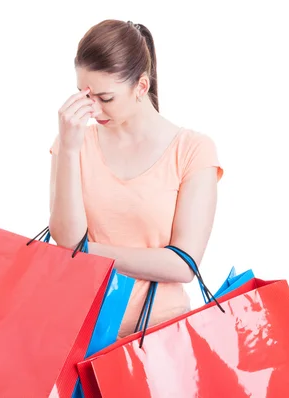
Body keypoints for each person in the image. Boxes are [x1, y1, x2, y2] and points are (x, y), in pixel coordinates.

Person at [48, 19, 224, 339]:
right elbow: (66, 240)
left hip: (161, 338)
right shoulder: (73, 143)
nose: (93, 109)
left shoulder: (193, 150)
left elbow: (183, 264)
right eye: (84, 95)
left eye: (105, 97)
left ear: (141, 87)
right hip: (83, 333)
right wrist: (69, 151)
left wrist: (89, 253)